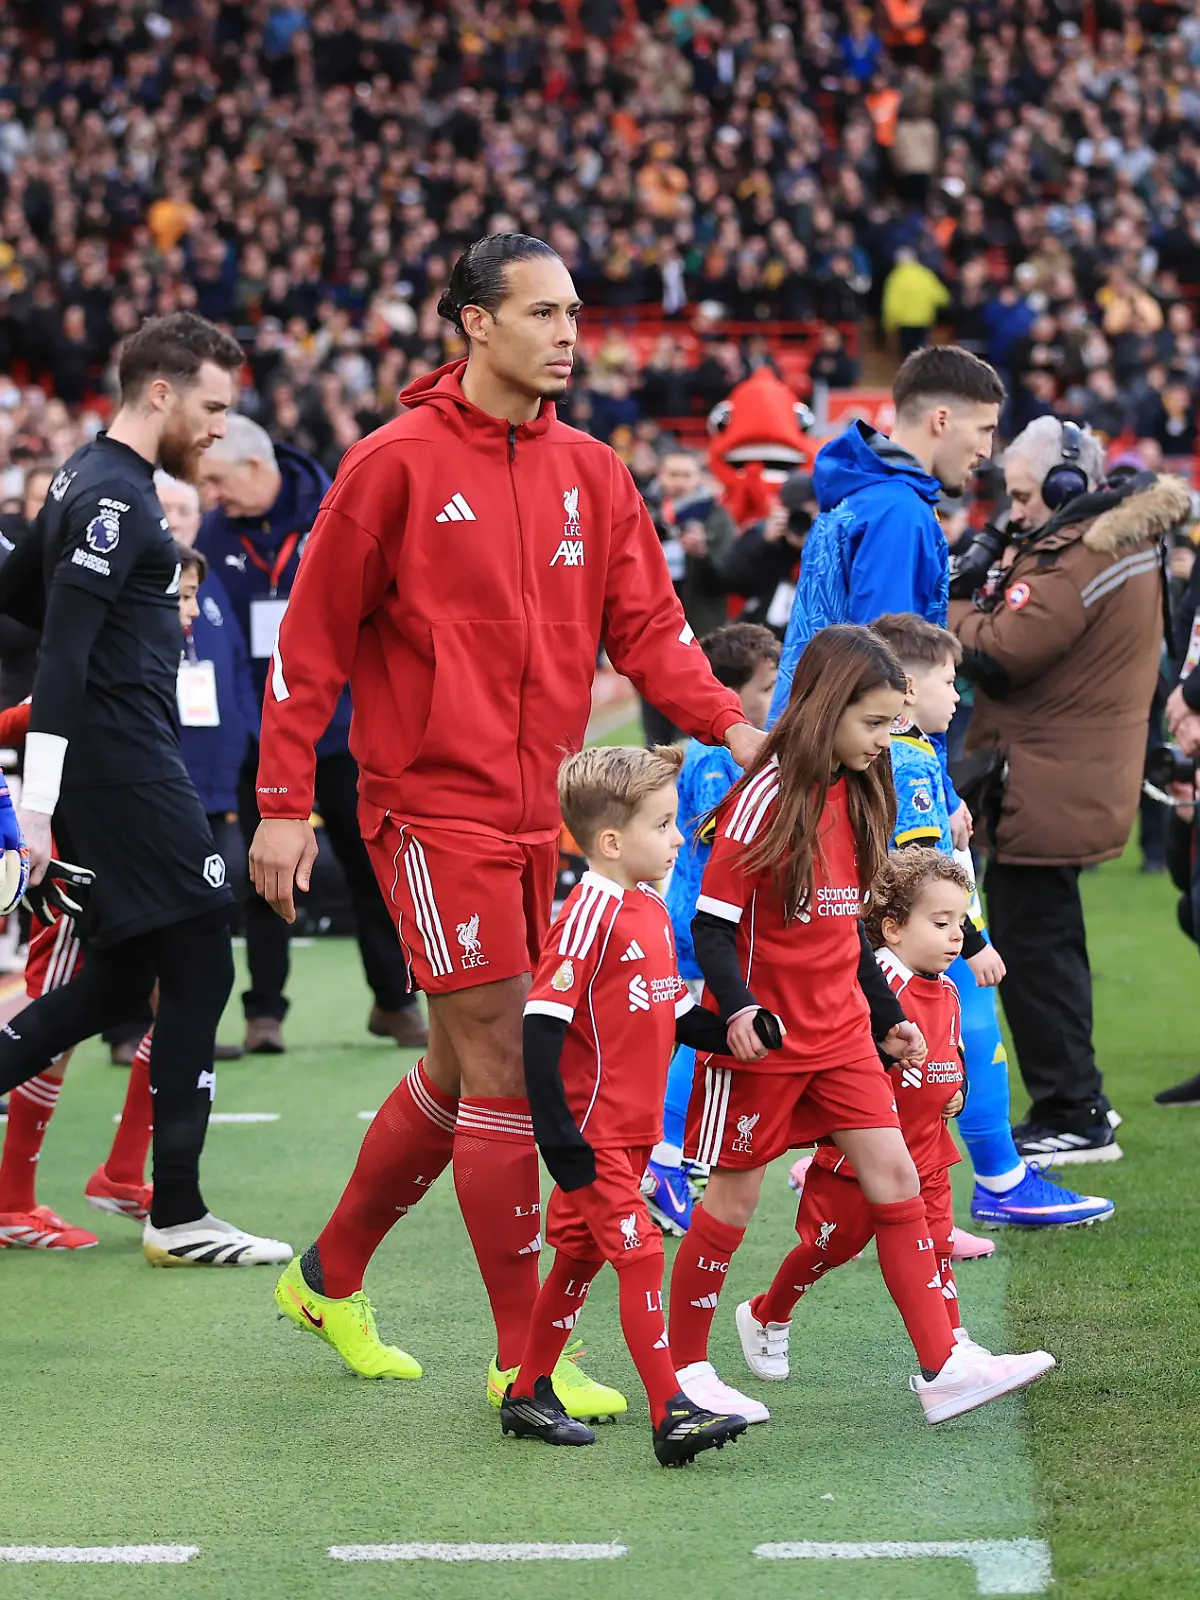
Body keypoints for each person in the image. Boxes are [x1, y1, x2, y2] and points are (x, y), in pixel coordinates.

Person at [254, 234, 763, 1418]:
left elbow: (653, 630)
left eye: (574, 313)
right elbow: (308, 645)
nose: (568, 334)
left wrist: (730, 725)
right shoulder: (390, 465)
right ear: (474, 322)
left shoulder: (594, 468)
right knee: (503, 1069)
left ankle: (326, 1278)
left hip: (553, 818)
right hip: (430, 812)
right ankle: (522, 1358)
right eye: (543, 312)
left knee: (454, 1067)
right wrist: (282, 806)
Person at [667, 624, 1052, 1427]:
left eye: (891, 724)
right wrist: (740, 1009)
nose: (884, 740)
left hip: (844, 1031)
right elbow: (712, 924)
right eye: (873, 723)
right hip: (767, 1039)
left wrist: (887, 1017)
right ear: (825, 708)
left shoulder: (862, 788)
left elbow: (847, 929)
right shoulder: (767, 794)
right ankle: (687, 1370)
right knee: (733, 1201)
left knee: (897, 1178)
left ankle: (943, 1366)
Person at [0, 310, 291, 1267]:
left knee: (122, 979)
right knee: (204, 957)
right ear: (160, 392)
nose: (219, 429)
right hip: (124, 768)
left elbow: (18, 597)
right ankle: (179, 1212)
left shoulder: (85, 475)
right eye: (211, 408)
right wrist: (38, 809)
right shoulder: (114, 498)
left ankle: (172, 1206)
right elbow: (62, 654)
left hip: (116, 764)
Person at [503, 745, 763, 1466]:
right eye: (664, 824)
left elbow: (672, 1011)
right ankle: (670, 1411)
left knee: (578, 1261)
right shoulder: (588, 914)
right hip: (592, 1135)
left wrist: (736, 1030)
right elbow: (540, 1026)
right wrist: (559, 1139)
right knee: (642, 1254)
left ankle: (527, 1391)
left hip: (633, 1131)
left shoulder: (647, 907)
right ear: (613, 842)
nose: (679, 838)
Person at [736, 848, 1055, 1423]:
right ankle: (766, 1313)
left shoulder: (948, 989)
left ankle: (952, 1348)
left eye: (961, 923)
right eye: (941, 922)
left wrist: (954, 1089)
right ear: (892, 928)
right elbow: (848, 1063)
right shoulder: (874, 986)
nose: (956, 936)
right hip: (863, 1158)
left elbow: (949, 1054)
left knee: (935, 1246)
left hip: (927, 1149)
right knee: (829, 1248)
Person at [953, 415, 1187, 1161]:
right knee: (1048, 940)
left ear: (1065, 484)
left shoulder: (1088, 550)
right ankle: (1079, 1097)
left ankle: (1073, 1111)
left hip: (1049, 774)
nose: (1015, 511)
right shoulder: (1106, 540)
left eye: (1025, 496)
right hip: (1058, 769)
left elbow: (1003, 651)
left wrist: (949, 607)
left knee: (1034, 949)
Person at [868, 612, 1114, 1228]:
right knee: (972, 1044)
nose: (958, 696)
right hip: (934, 939)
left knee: (937, 1052)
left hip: (923, 934)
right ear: (908, 688)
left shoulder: (913, 749)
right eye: (949, 681)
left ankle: (889, 1178)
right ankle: (1000, 1183)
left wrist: (952, 802)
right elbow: (920, 871)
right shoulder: (906, 759)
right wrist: (971, 939)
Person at [0, 541, 214, 1247]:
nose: (189, 609)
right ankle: (11, 1202)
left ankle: (122, 1175)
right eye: (179, 594)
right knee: (56, 1022)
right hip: (76, 868)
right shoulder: (96, 652)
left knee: (172, 997)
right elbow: (29, 715)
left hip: (127, 864)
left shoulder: (144, 652)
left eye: (192, 595)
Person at [196, 414, 424, 1054]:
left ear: (254, 466)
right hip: (260, 735)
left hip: (344, 731)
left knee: (371, 867)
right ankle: (264, 1011)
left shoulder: (335, 512)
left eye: (217, 480)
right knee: (266, 872)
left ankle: (393, 1000)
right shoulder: (212, 533)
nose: (212, 494)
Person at [769, 345, 1006, 852]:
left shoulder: (865, 497)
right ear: (942, 419)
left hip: (816, 758)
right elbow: (888, 667)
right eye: (984, 429)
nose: (987, 450)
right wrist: (940, 792)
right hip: (863, 780)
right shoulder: (899, 512)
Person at [649, 622, 780, 1235]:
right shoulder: (714, 758)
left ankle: (680, 1154)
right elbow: (722, 846)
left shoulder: (725, 754)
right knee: (700, 1038)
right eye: (767, 686)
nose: (775, 699)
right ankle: (662, 1161)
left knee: (708, 1037)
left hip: (716, 922)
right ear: (728, 691)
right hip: (705, 925)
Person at [640, 450, 736, 744]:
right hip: (650, 630)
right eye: (672, 474)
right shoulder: (642, 511)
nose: (678, 482)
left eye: (685, 475)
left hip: (700, 630)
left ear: (699, 478)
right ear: (660, 476)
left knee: (696, 717)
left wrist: (702, 555)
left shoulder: (716, 516)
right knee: (655, 725)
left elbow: (729, 577)